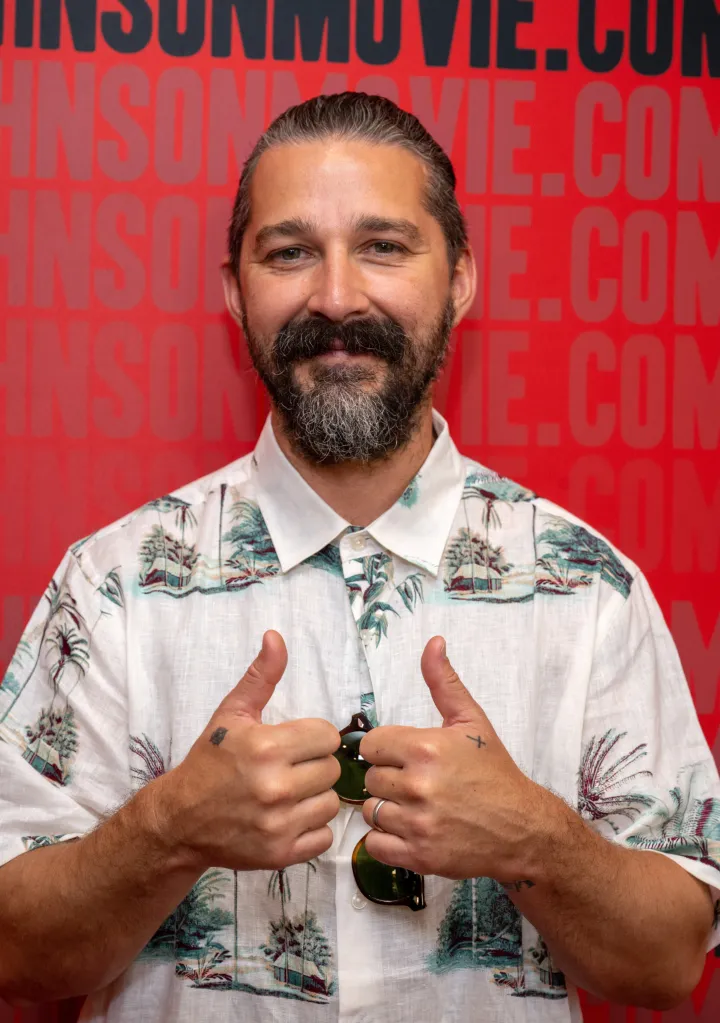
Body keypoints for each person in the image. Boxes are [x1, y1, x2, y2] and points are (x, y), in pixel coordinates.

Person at [0, 92, 718, 1023]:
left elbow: (670, 967)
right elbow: (15, 952)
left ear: (460, 278)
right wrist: (168, 831)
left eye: (383, 245)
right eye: (290, 251)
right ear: (233, 289)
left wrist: (533, 837)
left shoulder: (589, 589)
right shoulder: (113, 586)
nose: (336, 296)